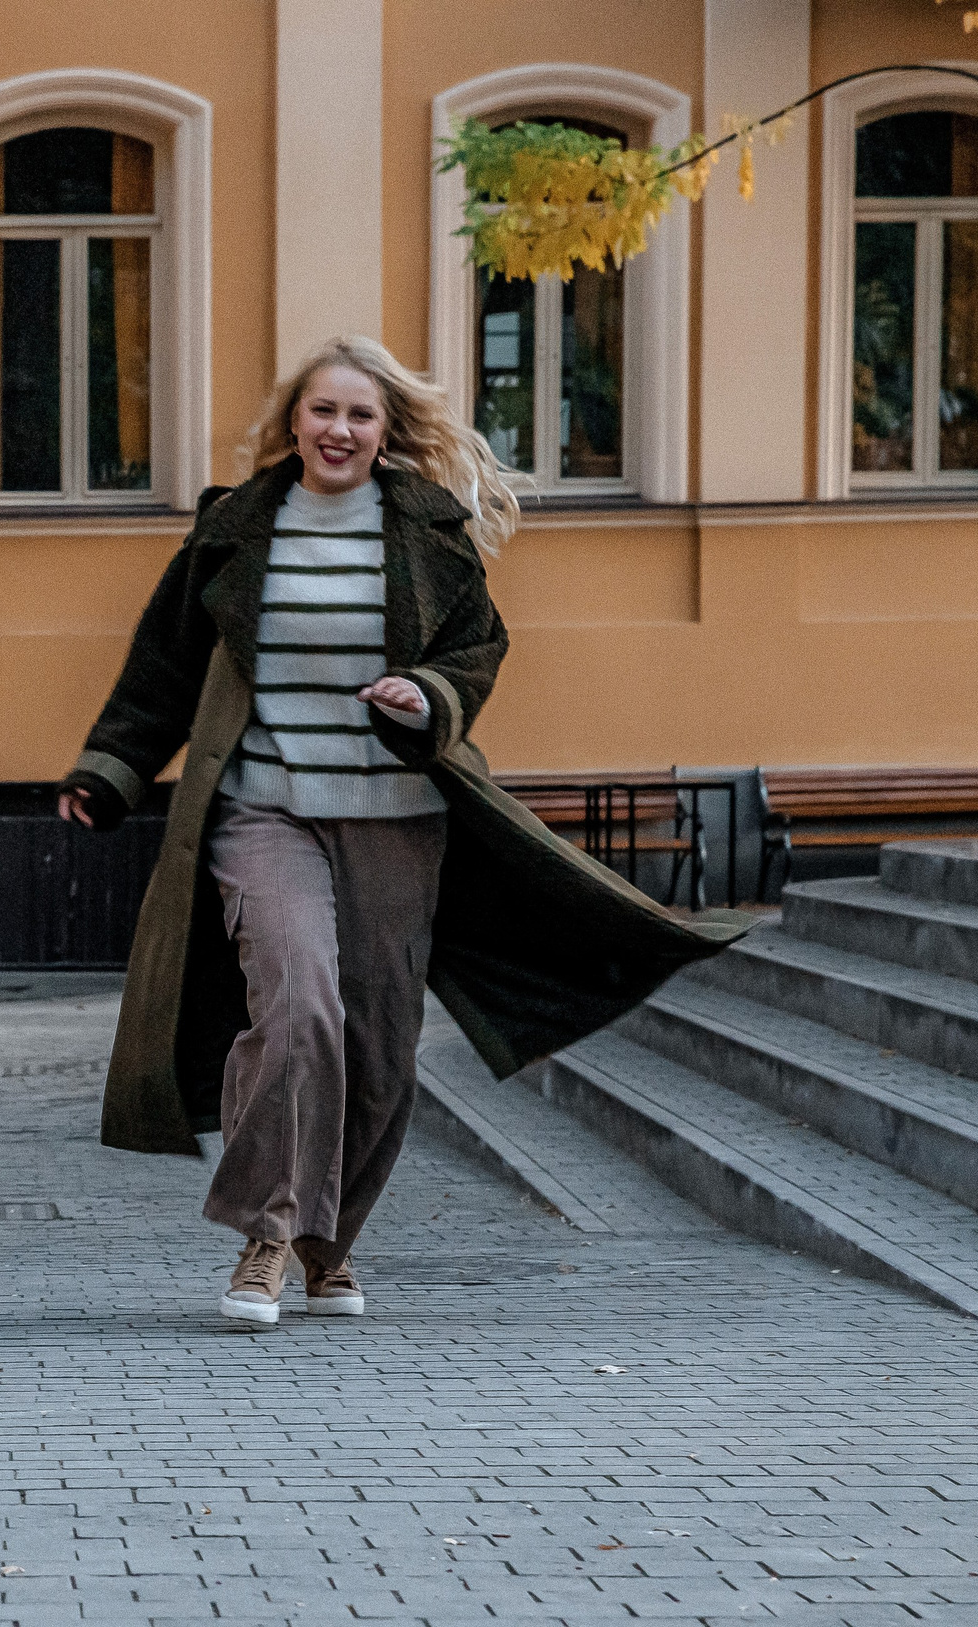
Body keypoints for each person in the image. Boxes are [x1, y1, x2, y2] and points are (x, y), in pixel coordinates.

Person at [59, 335, 745, 1328]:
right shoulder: (235, 526)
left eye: (360, 415)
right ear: (292, 420)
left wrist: (425, 695)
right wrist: (111, 768)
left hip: (395, 819)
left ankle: (327, 1247)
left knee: (380, 1045)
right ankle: (265, 1236)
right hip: (265, 809)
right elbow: (163, 661)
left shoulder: (427, 528)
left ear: (386, 432)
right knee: (294, 1011)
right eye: (323, 411)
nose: (338, 429)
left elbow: (475, 651)